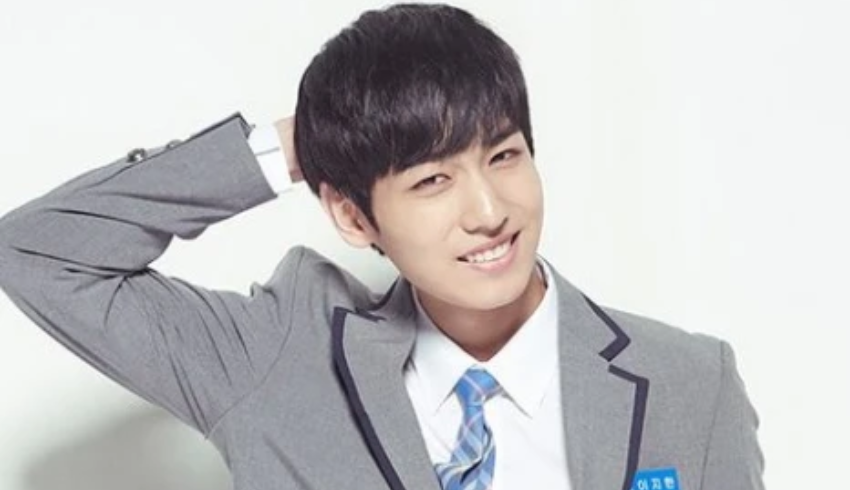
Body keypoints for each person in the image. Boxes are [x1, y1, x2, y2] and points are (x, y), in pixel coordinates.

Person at [0, 3, 763, 490]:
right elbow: (36, 254)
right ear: (353, 217)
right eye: (433, 180)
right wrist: (296, 146)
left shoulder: (690, 383)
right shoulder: (276, 365)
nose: (490, 212)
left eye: (504, 155)